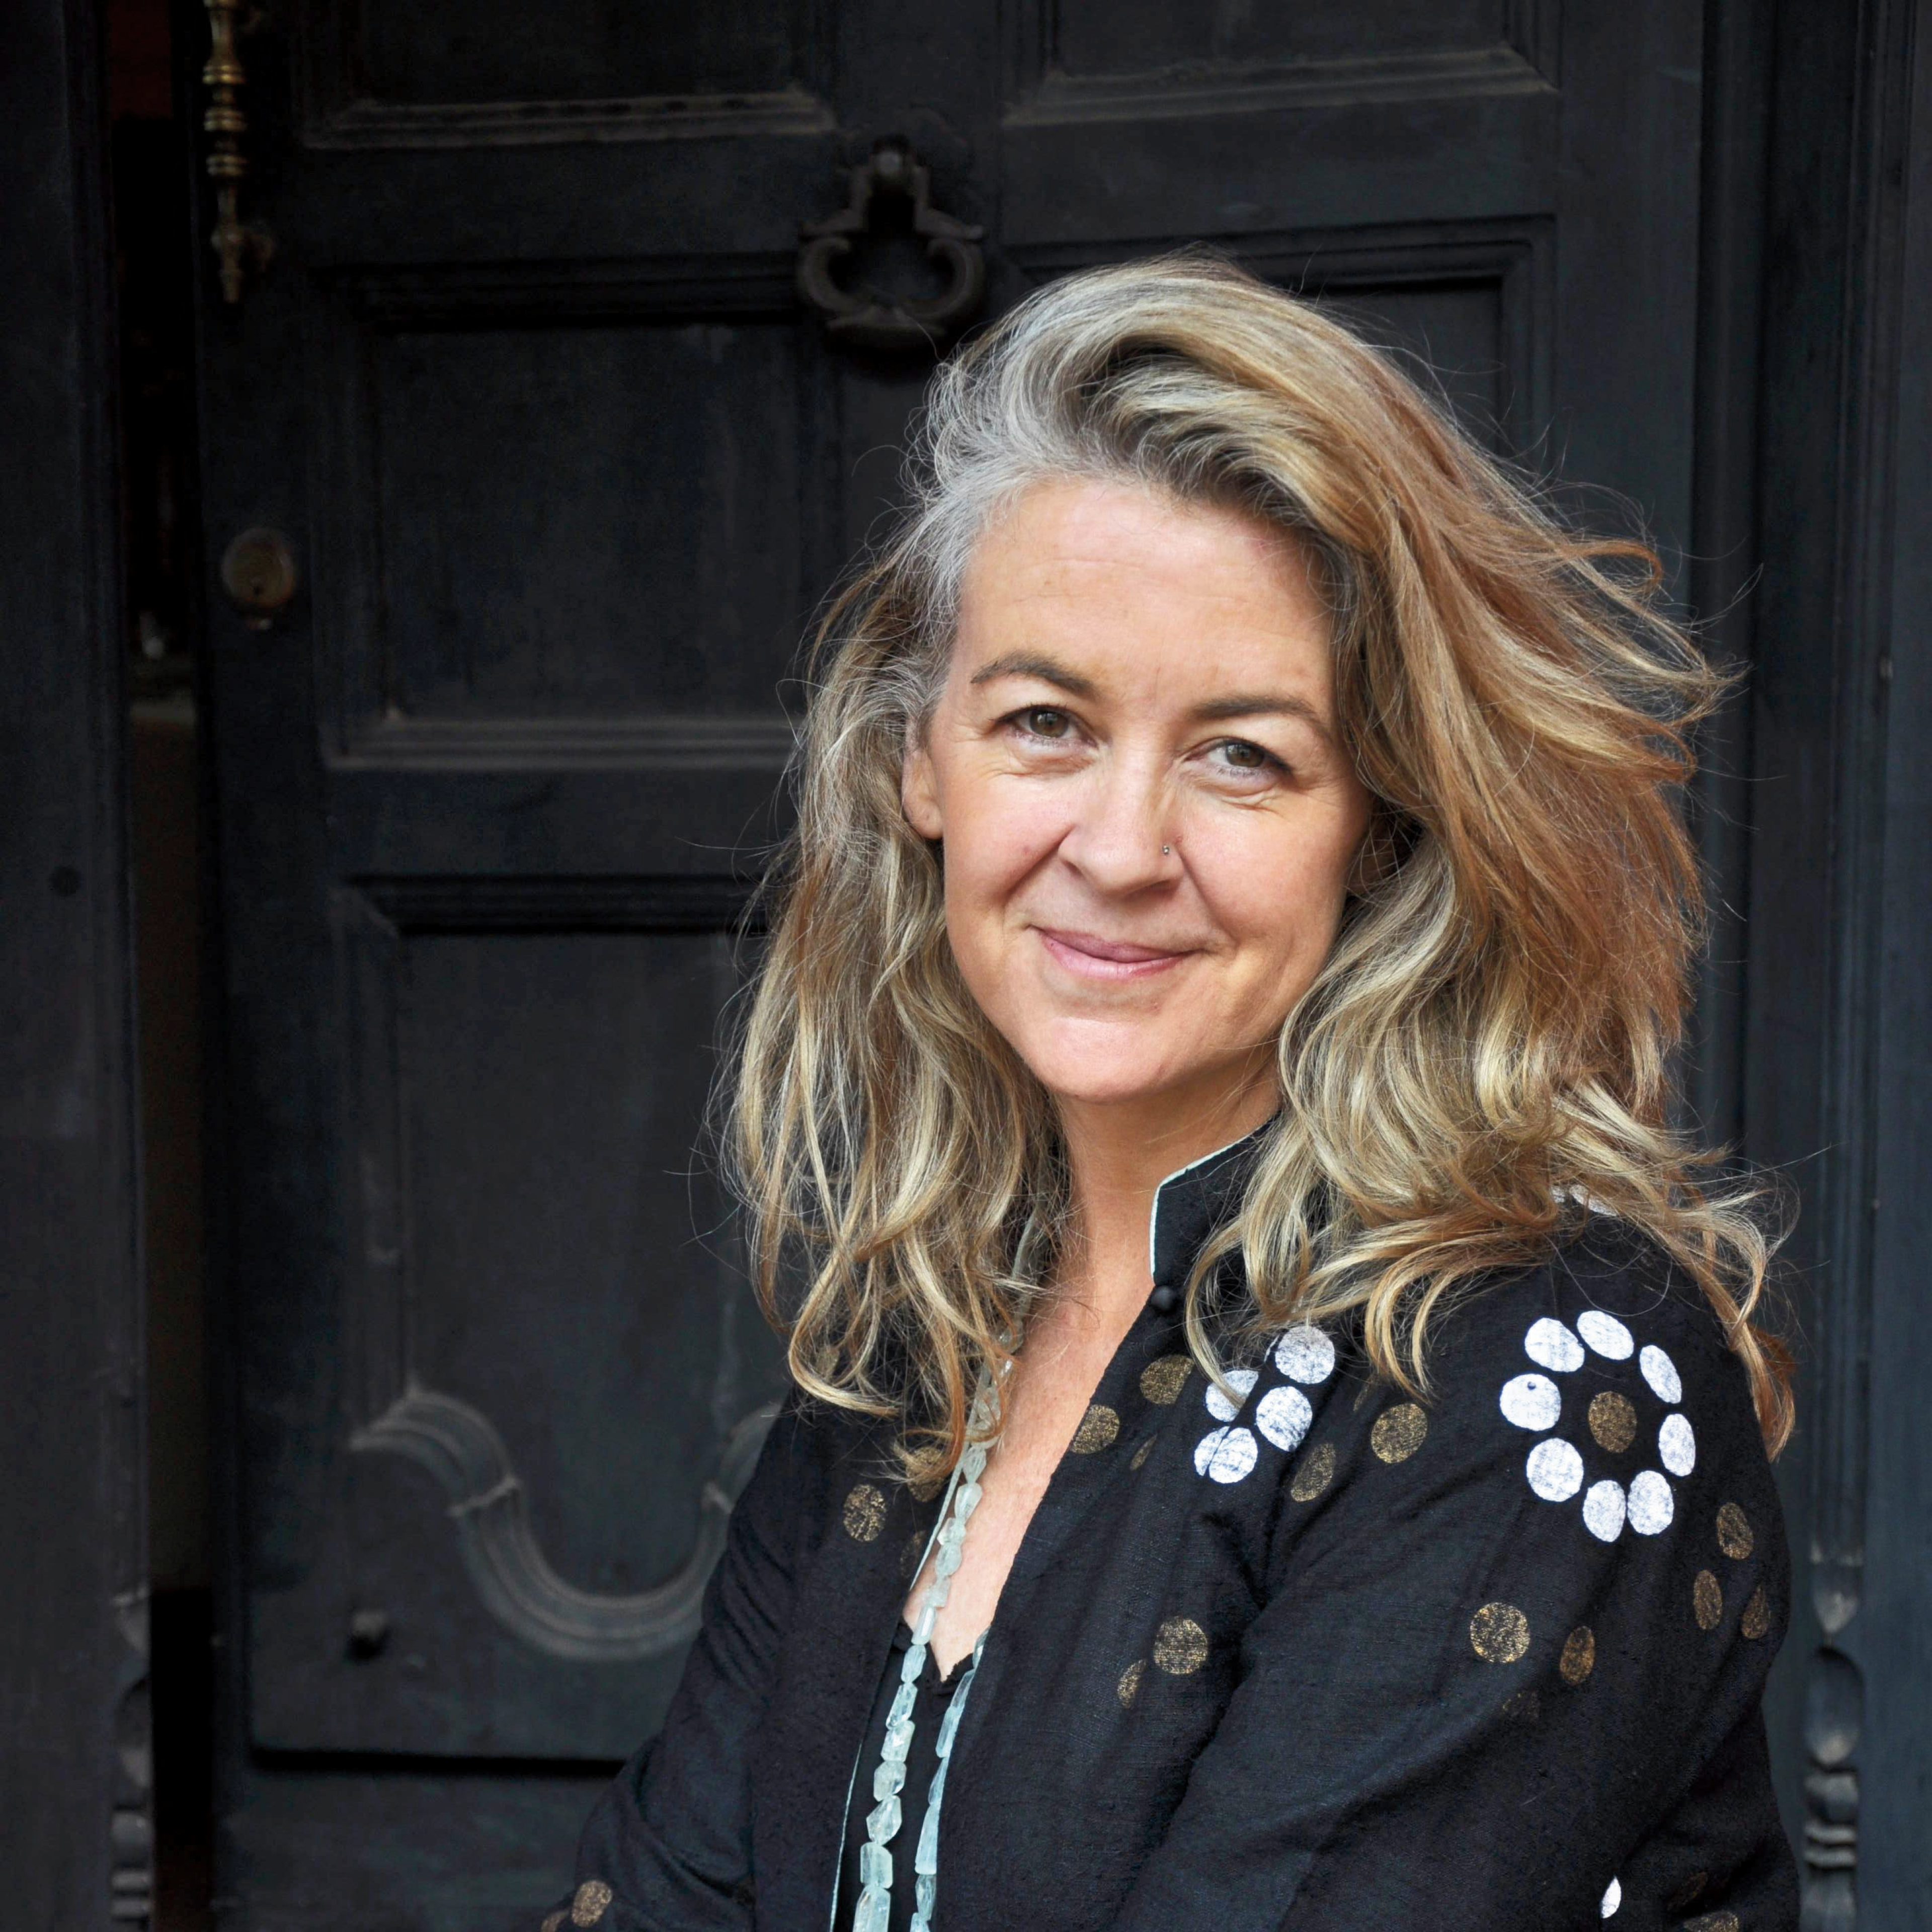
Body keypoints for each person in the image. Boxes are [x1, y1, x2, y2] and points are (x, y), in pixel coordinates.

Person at [544, 254, 1797, 1932]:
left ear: (1385, 827)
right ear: (924, 764)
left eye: (1242, 755)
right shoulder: (924, 1328)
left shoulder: (1533, 1372)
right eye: (1047, 721)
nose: (1121, 852)